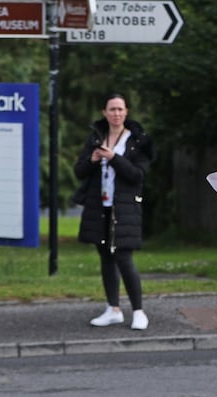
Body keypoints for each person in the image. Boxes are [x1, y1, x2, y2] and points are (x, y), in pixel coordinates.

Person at [73, 93, 155, 331]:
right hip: (100, 206)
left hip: (125, 207)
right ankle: (113, 309)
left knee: (123, 257)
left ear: (126, 112)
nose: (116, 113)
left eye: (120, 109)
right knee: (105, 257)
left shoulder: (137, 141)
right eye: (112, 109)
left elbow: (137, 175)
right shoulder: (96, 138)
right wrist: (93, 159)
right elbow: (80, 171)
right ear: (104, 112)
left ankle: (138, 311)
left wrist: (114, 158)